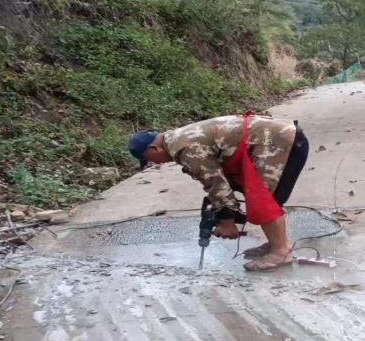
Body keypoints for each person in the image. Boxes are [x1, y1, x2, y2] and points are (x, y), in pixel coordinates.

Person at [127, 113, 308, 272]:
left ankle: (281, 251)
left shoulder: (184, 148)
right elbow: (220, 180)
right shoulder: (177, 139)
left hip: (279, 141)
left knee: (263, 200)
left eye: (149, 159)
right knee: (260, 197)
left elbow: (215, 183)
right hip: (277, 139)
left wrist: (227, 222)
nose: (155, 163)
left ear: (154, 149)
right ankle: (276, 243)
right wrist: (225, 213)